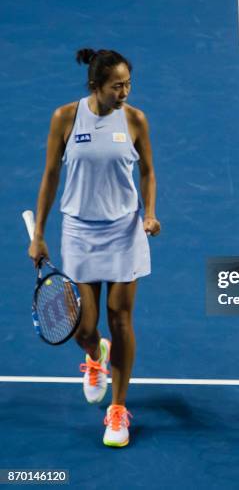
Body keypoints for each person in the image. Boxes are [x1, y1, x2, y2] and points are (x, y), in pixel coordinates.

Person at [28, 48, 160, 447]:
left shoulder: (135, 119)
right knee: (82, 327)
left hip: (124, 231)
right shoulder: (65, 118)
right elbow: (51, 175)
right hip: (80, 232)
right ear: (95, 86)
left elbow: (148, 171)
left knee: (121, 318)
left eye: (127, 84)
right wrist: (39, 234)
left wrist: (149, 213)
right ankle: (95, 354)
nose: (125, 92)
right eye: (117, 86)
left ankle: (117, 408)